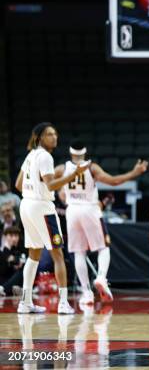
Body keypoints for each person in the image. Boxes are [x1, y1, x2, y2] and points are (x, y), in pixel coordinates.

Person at [55, 139, 148, 305]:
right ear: (84, 152)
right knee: (103, 248)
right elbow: (114, 181)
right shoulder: (91, 167)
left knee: (78, 252)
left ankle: (86, 293)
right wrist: (135, 173)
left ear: (70, 153)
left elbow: (45, 181)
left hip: (72, 210)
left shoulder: (61, 169)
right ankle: (101, 278)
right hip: (90, 208)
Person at [15, 122, 90, 314]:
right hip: (42, 207)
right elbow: (51, 185)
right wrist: (74, 173)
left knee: (34, 255)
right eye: (49, 134)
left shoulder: (30, 155)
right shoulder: (45, 156)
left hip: (26, 205)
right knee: (58, 253)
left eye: (55, 134)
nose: (54, 137)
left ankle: (25, 302)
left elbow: (18, 184)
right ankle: (63, 303)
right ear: (40, 137)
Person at [0, 227, 27, 297]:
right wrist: (7, 248)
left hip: (22, 276)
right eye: (11, 236)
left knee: (23, 270)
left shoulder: (23, 246)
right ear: (5, 237)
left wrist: (14, 261)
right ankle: (10, 289)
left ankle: (3, 288)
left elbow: (21, 263)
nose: (14, 238)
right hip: (10, 277)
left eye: (16, 236)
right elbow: (3, 270)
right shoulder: (5, 249)